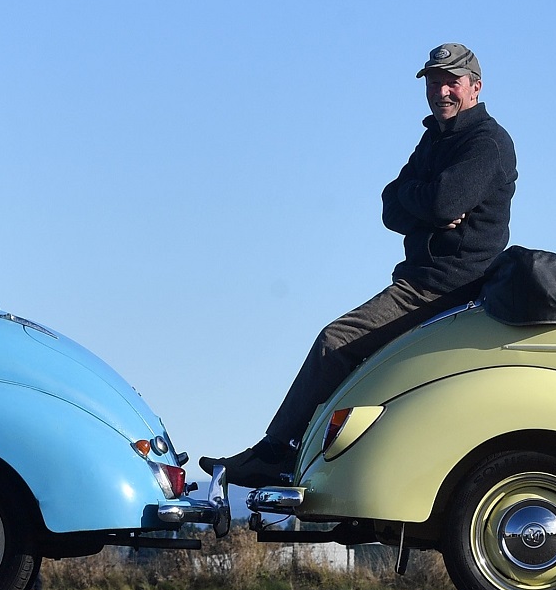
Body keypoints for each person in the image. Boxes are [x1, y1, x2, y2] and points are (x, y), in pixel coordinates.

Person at [206, 43, 518, 487]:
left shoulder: (486, 142)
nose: (441, 91)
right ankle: (309, 453)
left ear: (475, 87)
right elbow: (391, 207)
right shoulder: (437, 139)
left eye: (451, 81)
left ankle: (278, 451)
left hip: (444, 286)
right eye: (434, 81)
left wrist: (426, 201)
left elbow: (444, 200)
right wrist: (424, 203)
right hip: (423, 279)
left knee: (337, 341)